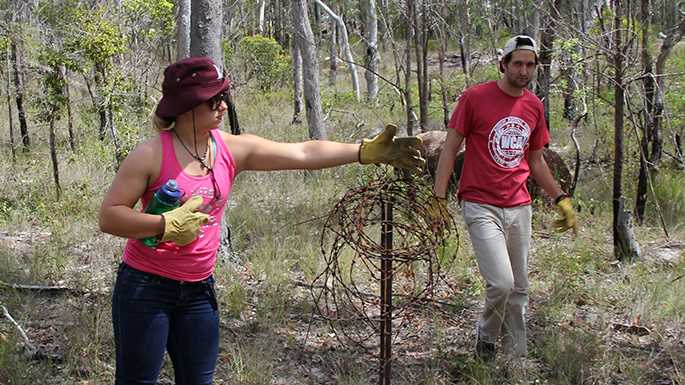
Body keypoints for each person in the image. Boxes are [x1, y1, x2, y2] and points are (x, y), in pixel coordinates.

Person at [99, 56, 424, 385]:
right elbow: (110, 217)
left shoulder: (231, 149)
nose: (223, 106)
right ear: (186, 105)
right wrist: (164, 225)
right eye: (214, 99)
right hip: (145, 288)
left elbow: (303, 154)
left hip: (198, 291)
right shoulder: (150, 154)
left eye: (223, 97)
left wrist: (361, 152)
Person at [429, 35, 577, 361]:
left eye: (529, 65)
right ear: (504, 64)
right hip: (480, 202)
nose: (523, 71)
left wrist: (560, 198)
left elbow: (536, 159)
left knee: (519, 290)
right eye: (517, 63)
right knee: (501, 283)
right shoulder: (475, 98)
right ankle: (486, 336)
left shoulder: (533, 106)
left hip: (519, 205)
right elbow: (450, 148)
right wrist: (438, 199)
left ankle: (516, 359)